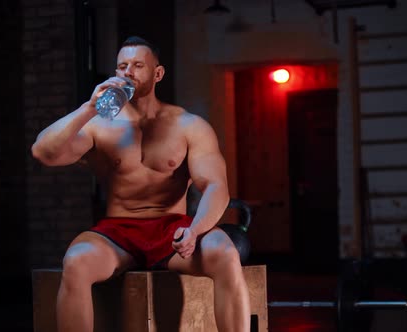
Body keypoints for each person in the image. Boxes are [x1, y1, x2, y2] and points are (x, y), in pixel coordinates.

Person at [31, 36, 250, 332]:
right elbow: (43, 152)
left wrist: (195, 230)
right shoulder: (99, 126)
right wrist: (88, 108)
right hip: (118, 233)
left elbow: (216, 187)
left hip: (174, 229)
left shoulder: (188, 125)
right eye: (122, 66)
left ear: (157, 74)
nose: (128, 72)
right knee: (77, 260)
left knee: (225, 252)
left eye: (137, 65)